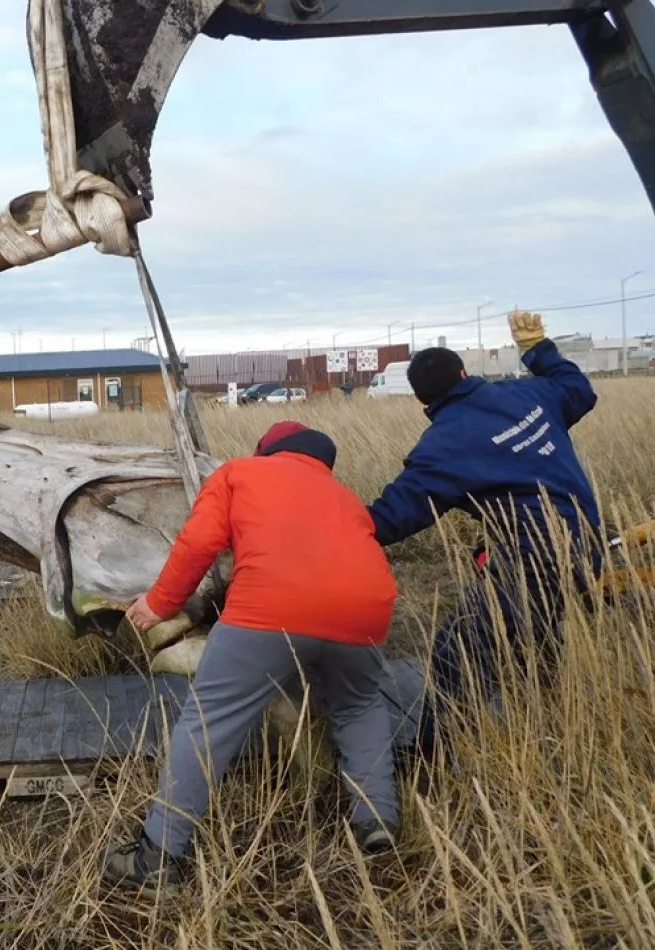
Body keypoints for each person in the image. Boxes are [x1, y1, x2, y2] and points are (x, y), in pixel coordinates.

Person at [101, 421, 400, 897]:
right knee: (360, 706)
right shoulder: (343, 496)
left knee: (208, 721)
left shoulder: (239, 473)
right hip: (365, 613)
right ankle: (377, 820)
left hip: (267, 612)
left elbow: (199, 543)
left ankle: (156, 859)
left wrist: (159, 603)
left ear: (267, 451)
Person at [366, 311, 601, 756]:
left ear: (422, 400)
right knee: (538, 636)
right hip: (586, 538)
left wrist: (325, 523)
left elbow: (390, 519)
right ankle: (548, 728)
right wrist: (538, 349)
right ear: (465, 372)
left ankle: (431, 757)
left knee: (456, 650)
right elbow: (580, 390)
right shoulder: (527, 392)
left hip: (536, 558)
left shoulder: (444, 445)